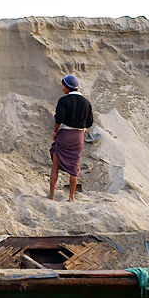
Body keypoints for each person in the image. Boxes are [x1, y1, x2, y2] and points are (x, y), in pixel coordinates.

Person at [49, 74, 93, 202]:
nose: (62, 88)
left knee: (55, 165)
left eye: (63, 86)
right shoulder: (86, 102)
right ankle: (72, 197)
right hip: (78, 137)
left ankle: (51, 195)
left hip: (65, 135)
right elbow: (90, 122)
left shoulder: (63, 100)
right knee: (74, 167)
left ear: (68, 87)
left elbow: (58, 118)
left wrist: (55, 131)